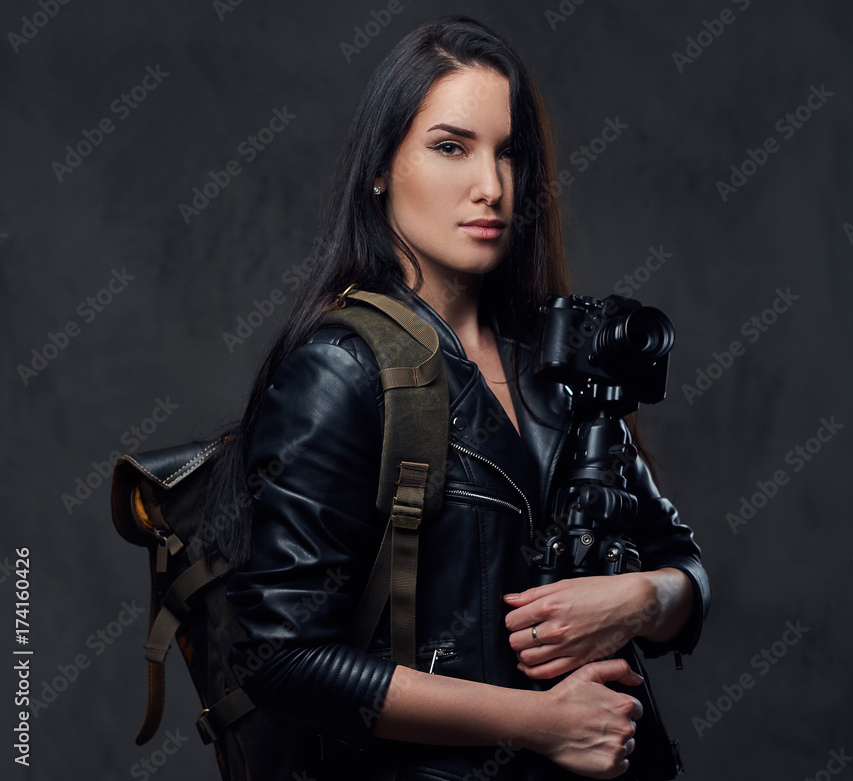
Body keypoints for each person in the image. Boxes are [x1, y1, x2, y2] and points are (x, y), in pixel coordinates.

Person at [215, 15, 710, 780]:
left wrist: (640, 599)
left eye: (509, 153)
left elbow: (685, 566)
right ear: (381, 167)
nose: (491, 187)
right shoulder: (341, 370)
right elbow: (280, 656)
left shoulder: (558, 360)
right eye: (451, 147)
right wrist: (540, 722)